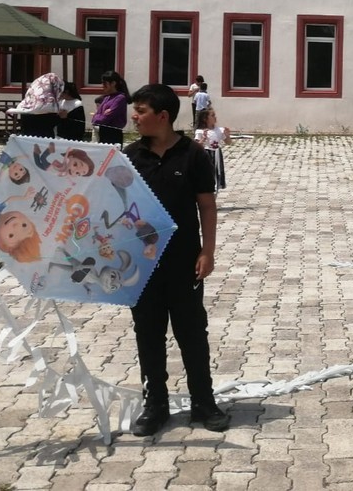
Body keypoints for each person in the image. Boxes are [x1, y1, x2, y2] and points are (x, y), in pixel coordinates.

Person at [125, 83, 229, 436]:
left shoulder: (193, 155)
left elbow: (207, 206)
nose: (134, 117)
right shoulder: (130, 157)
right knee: (148, 333)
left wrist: (208, 250)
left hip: (184, 259)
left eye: (140, 111)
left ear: (163, 116)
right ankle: (155, 405)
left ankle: (203, 402)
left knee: (191, 332)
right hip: (142, 264)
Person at [8, 72, 65, 138]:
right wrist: (61, 117)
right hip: (43, 140)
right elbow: (49, 122)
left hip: (27, 139)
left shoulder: (27, 104)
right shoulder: (48, 105)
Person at [92, 71, 130, 148]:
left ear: (113, 83)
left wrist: (99, 116)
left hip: (113, 134)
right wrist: (100, 115)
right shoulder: (107, 98)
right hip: (103, 133)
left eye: (105, 83)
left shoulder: (120, 98)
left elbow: (105, 119)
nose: (102, 86)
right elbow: (95, 118)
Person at [194, 108, 230, 191]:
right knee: (207, 175)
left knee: (216, 174)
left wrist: (227, 135)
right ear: (205, 119)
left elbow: (228, 142)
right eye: (212, 115)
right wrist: (203, 138)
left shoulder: (219, 130)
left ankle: (215, 193)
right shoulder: (200, 131)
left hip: (217, 155)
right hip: (206, 154)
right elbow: (196, 146)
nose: (215, 117)